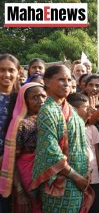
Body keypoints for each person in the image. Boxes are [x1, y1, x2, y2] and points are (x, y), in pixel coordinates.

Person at [30, 65, 93, 212]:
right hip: (62, 183)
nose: (67, 84)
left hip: (78, 183)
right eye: (61, 80)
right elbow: (51, 152)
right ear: (46, 81)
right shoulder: (47, 111)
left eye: (69, 80)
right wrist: (77, 177)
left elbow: (75, 138)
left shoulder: (68, 108)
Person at [0, 82, 46, 213]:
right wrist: (20, 192)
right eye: (35, 97)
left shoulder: (47, 119)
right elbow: (11, 160)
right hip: (26, 177)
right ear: (25, 101)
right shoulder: (22, 125)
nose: (41, 100)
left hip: (45, 175)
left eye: (43, 96)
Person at [67, 93, 99, 213]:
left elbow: (97, 153)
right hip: (77, 177)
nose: (90, 109)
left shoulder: (92, 128)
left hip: (93, 178)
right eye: (86, 107)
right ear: (74, 109)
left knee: (94, 207)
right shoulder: (67, 128)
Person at [0, 54, 19, 213]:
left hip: (16, 166)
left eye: (11, 70)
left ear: (18, 72)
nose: (6, 74)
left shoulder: (23, 99)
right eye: (2, 70)